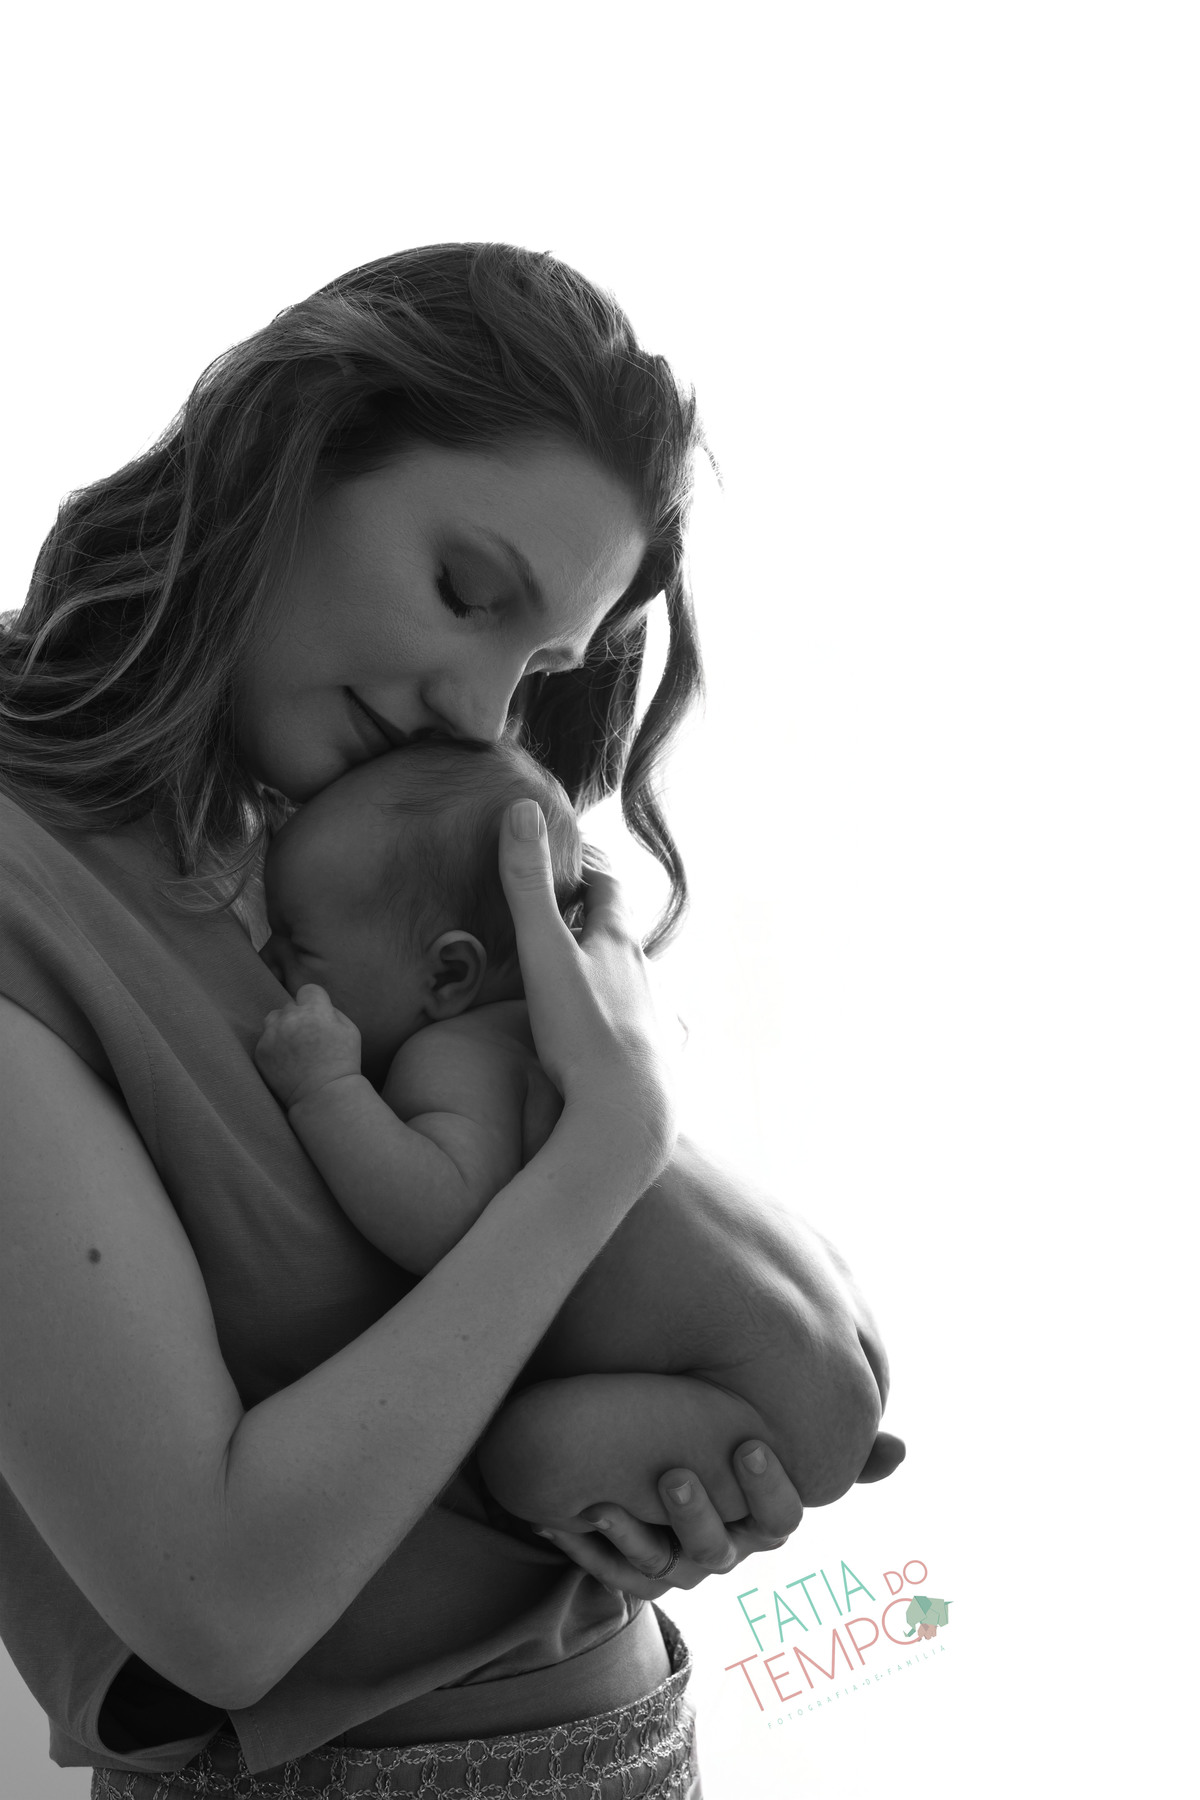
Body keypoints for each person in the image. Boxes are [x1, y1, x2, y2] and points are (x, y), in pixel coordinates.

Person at [0, 243, 895, 1800]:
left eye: (539, 661)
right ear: (284, 462)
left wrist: (670, 1448)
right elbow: (220, 1609)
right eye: (465, 591)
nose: (480, 710)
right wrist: (607, 1151)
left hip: (635, 1737)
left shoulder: (324, 841)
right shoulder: (36, 884)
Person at [252, 733, 903, 1533]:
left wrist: (325, 1089)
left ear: (449, 973)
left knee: (521, 1459)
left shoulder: (451, 1054)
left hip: (756, 1404)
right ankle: (838, 1432)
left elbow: (443, 1224)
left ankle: (808, 1442)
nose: (264, 956)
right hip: (833, 1323)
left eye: (297, 944)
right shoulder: (591, 1028)